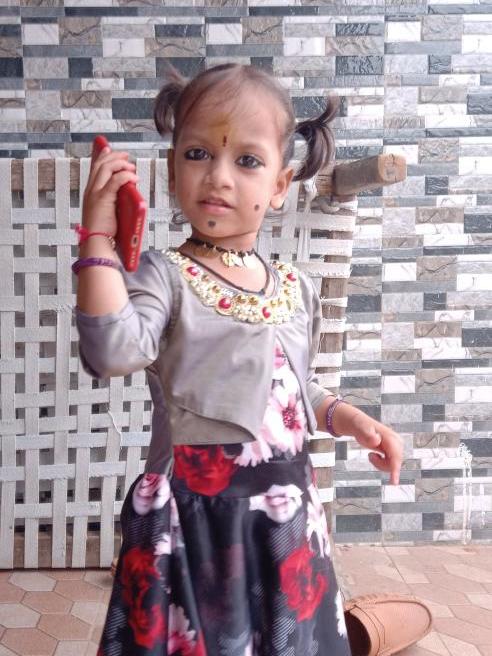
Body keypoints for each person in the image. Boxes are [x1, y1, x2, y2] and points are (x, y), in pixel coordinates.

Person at [75, 63, 403, 656]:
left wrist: (347, 418)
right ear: (173, 168)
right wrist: (97, 239)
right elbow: (112, 351)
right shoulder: (164, 277)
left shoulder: (295, 287)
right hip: (197, 522)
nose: (218, 177)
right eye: (198, 153)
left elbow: (293, 391)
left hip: (283, 519)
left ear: (280, 184)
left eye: (247, 160)